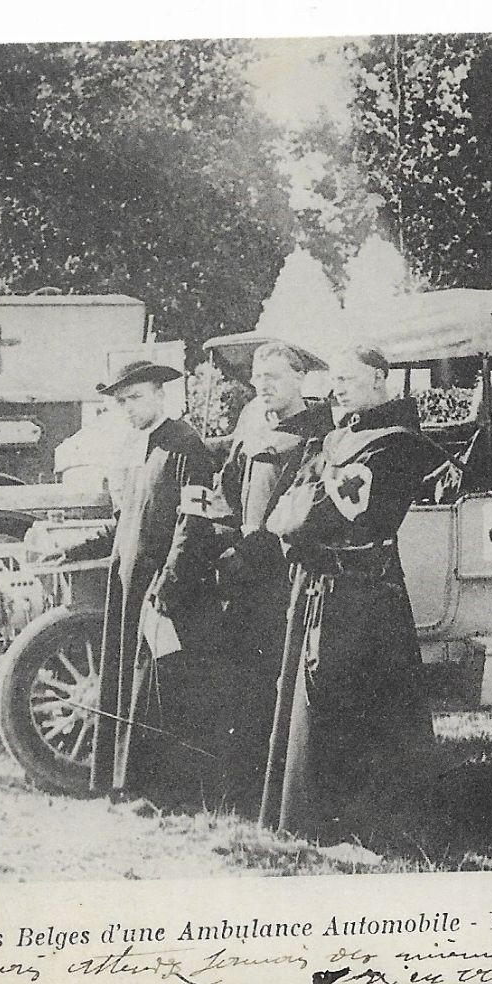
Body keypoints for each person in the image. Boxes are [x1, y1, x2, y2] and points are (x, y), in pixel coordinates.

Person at [259, 344, 434, 837]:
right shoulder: (339, 436)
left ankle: (364, 829)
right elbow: (292, 500)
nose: (337, 388)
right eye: (335, 380)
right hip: (325, 586)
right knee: (315, 704)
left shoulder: (396, 442)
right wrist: (299, 511)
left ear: (380, 380)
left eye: (349, 380)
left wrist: (299, 513)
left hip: (364, 595)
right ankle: (313, 822)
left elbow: (326, 513)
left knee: (361, 710)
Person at [164, 342, 334, 807]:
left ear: (301, 378)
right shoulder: (254, 424)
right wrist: (219, 536)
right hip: (245, 575)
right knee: (244, 681)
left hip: (291, 577)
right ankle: (244, 785)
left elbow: (304, 505)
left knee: (287, 682)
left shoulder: (322, 434)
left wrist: (250, 546)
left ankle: (286, 791)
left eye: (275, 378)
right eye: (259, 379)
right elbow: (226, 491)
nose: (263, 387)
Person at [56, 360, 216, 800]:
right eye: (122, 401)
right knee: (126, 682)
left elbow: (193, 522)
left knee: (158, 689)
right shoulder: (135, 447)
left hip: (167, 587)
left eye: (136, 398)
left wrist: (168, 582)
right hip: (129, 582)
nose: (128, 408)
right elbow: (127, 521)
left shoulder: (187, 445)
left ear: (161, 395)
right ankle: (120, 782)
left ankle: (160, 792)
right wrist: (77, 548)